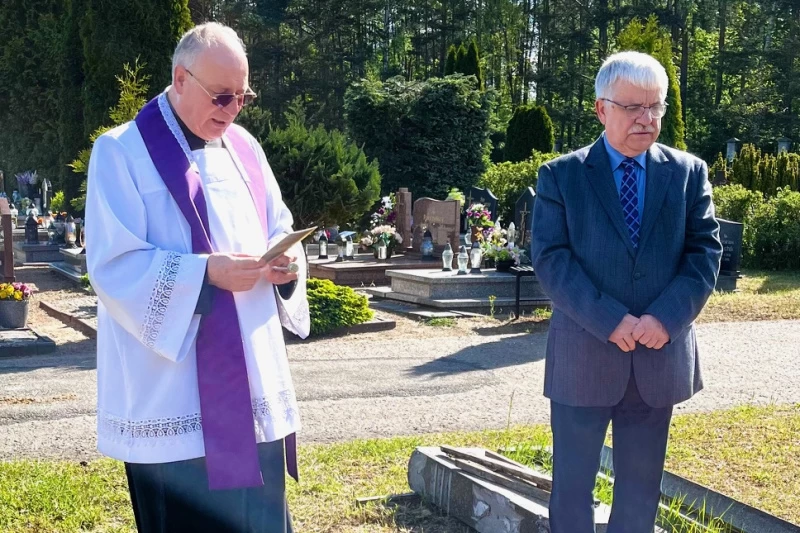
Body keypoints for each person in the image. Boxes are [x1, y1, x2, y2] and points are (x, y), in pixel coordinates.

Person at [86, 22, 308, 533]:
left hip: (250, 385)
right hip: (174, 397)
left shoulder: (246, 149)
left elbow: (280, 226)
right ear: (180, 79)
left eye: (242, 98)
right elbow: (113, 266)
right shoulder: (121, 152)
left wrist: (287, 269)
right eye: (222, 96)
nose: (231, 111)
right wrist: (207, 274)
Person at [531, 51, 722, 532]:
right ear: (601, 109)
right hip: (586, 356)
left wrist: (666, 318)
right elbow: (552, 260)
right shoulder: (561, 176)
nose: (647, 119)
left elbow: (704, 253)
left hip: (657, 358)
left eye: (654, 107)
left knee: (640, 497)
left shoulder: (687, 173)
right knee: (572, 494)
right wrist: (609, 319)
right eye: (633, 107)